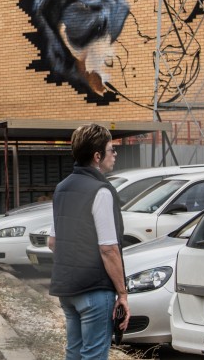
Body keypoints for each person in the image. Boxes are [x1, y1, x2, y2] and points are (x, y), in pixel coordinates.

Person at [47, 124, 129, 360]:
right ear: (97, 156)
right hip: (94, 290)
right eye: (111, 150)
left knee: (74, 352)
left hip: (67, 289)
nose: (115, 154)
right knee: (94, 355)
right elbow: (109, 249)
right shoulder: (101, 191)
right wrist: (123, 294)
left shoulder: (61, 188)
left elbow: (53, 242)